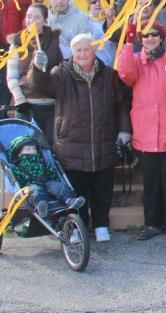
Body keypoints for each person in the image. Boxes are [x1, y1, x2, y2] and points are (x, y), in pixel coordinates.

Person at [30, 34, 132, 242]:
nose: (83, 54)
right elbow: (41, 87)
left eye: (86, 49)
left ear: (93, 51)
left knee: (102, 188)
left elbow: (122, 105)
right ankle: (79, 227)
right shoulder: (60, 74)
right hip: (71, 143)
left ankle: (102, 224)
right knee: (76, 191)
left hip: (103, 141)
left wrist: (124, 131)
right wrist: (39, 70)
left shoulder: (110, 75)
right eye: (78, 50)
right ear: (72, 53)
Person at [117, 22, 166, 243]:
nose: (149, 38)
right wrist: (128, 44)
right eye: (144, 35)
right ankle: (152, 223)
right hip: (145, 131)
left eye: (154, 35)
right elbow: (125, 73)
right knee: (150, 181)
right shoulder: (137, 60)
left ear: (162, 37)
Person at [7, 4, 64, 143]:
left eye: (37, 17)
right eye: (29, 17)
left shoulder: (57, 39)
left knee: (52, 148)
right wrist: (20, 99)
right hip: (27, 105)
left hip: (52, 106)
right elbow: (12, 77)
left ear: (45, 20)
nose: (32, 21)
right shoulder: (16, 43)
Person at [7, 135, 85, 217]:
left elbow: (52, 173)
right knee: (35, 191)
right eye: (28, 149)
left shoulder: (43, 164)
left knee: (59, 187)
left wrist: (54, 179)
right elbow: (18, 182)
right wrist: (22, 188)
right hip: (31, 185)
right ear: (19, 154)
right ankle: (40, 205)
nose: (32, 151)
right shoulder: (19, 169)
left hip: (47, 182)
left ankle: (70, 201)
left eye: (34, 148)